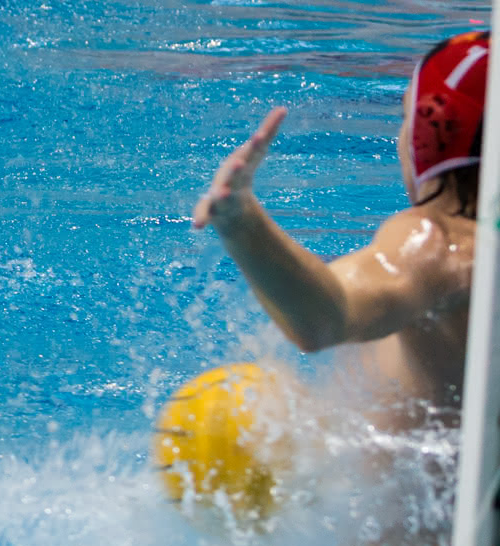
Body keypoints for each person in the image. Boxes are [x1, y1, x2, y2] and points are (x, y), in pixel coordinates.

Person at [193, 30, 488, 431]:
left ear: (430, 132)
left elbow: (325, 318)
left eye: (405, 117)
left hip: (407, 494)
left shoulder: (436, 244)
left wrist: (242, 224)